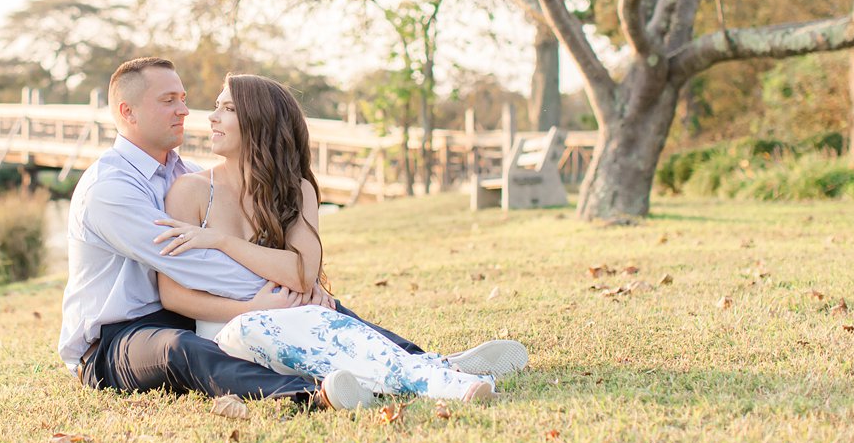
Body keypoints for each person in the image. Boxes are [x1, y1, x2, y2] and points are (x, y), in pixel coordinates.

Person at [57, 56, 525, 409]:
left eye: (183, 98)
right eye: (169, 101)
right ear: (127, 111)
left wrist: (304, 288)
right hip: (115, 339)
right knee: (186, 349)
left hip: (178, 310)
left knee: (324, 308)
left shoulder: (186, 174)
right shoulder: (110, 189)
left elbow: (230, 254)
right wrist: (284, 291)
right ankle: (310, 395)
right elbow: (188, 263)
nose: (187, 110)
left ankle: (430, 364)